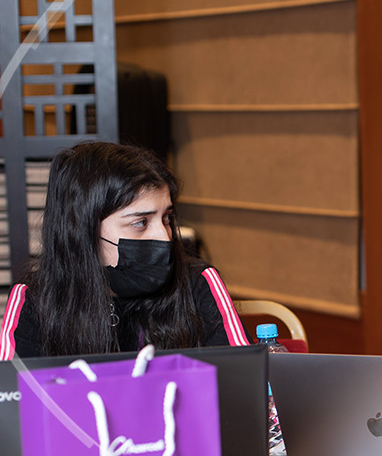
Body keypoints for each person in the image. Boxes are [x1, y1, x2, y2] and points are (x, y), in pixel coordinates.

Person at [1, 141, 249, 359]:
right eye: (140, 222)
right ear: (84, 230)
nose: (164, 237)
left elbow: (246, 378)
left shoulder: (198, 282)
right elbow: (11, 392)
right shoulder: (34, 299)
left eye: (166, 218)